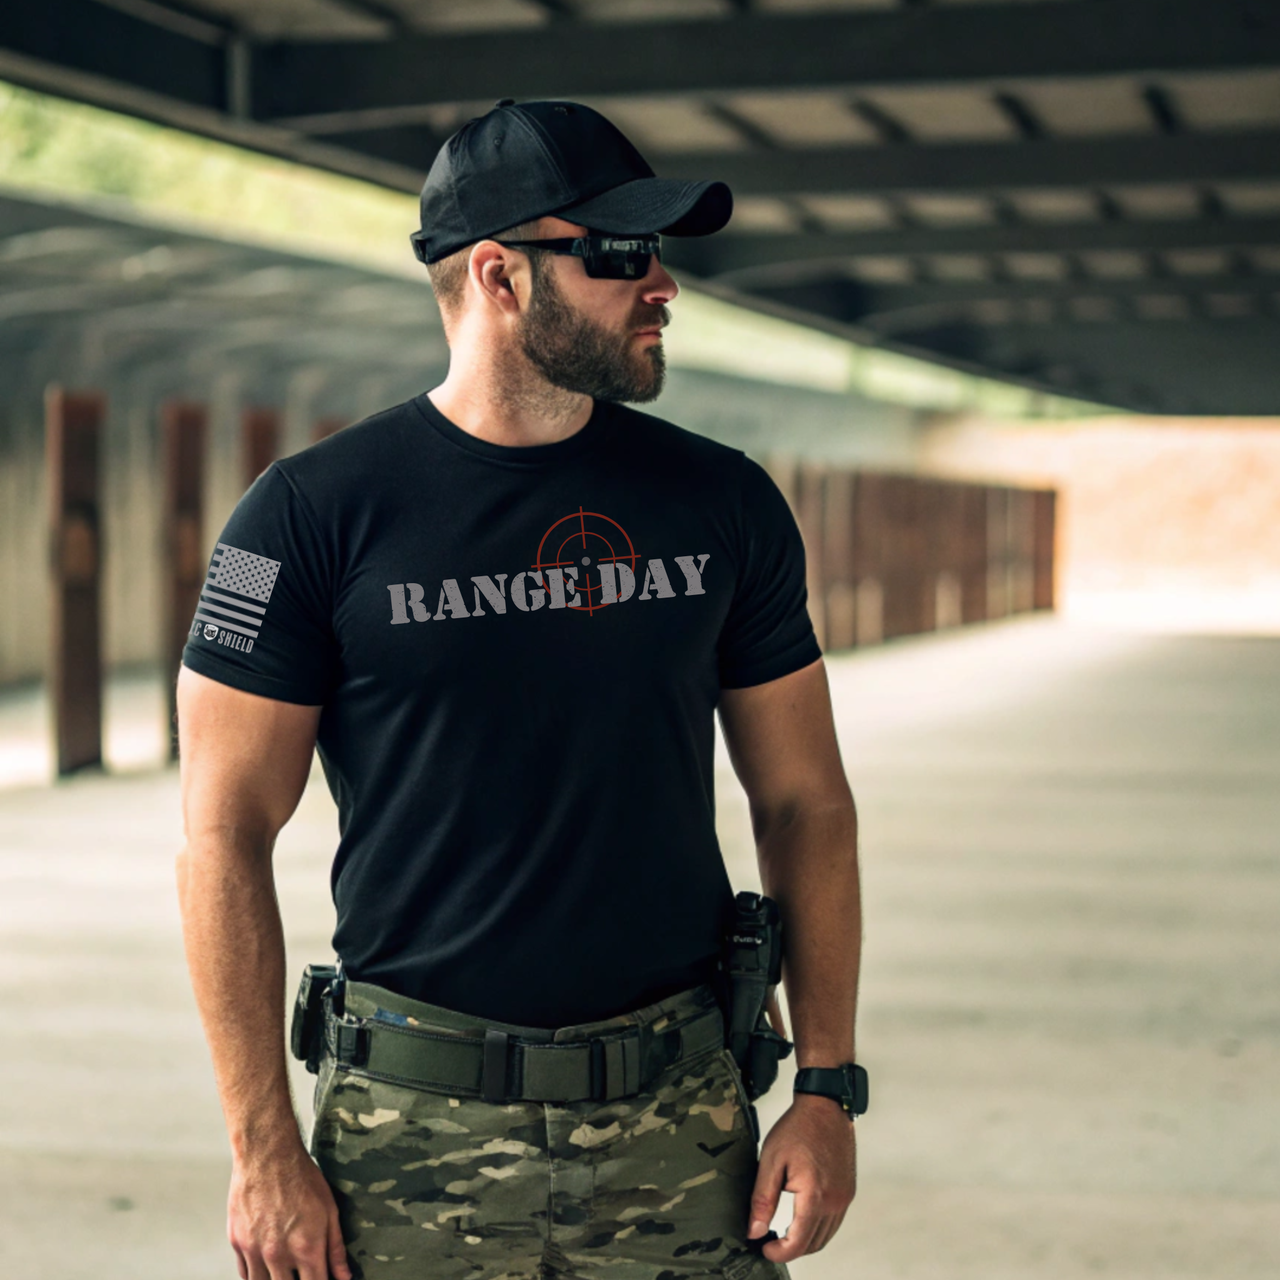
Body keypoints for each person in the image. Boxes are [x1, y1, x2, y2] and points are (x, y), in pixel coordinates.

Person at [175, 99, 862, 1280]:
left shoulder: (724, 502)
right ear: (498, 274)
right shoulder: (298, 518)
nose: (660, 286)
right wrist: (261, 1145)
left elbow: (806, 801)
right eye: (618, 254)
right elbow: (219, 834)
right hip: (405, 1136)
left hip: (679, 1124)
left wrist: (825, 1084)